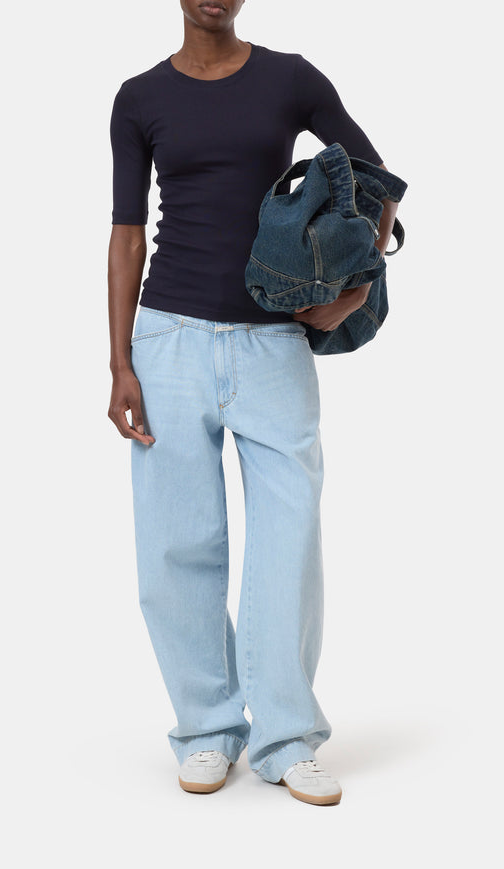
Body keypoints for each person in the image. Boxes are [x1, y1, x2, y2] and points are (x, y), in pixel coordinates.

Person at [107, 0, 399, 806]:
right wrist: (120, 361)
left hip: (274, 344)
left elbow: (378, 182)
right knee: (176, 544)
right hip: (168, 340)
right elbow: (127, 233)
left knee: (288, 542)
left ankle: (286, 737)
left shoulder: (290, 80)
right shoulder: (139, 98)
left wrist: (351, 289)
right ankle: (206, 728)